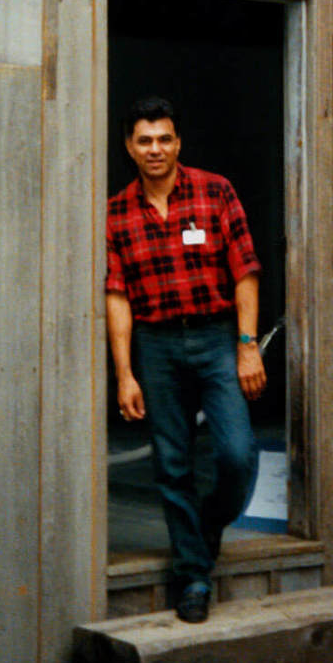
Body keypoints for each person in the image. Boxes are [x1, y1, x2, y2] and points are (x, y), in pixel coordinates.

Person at [105, 95, 266, 623]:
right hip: (157, 345)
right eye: (145, 140)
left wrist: (246, 347)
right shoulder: (115, 213)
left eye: (165, 138)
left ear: (179, 142)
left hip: (217, 338)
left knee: (237, 454)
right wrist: (125, 372)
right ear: (130, 147)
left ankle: (204, 526)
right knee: (171, 465)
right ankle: (194, 576)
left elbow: (245, 272)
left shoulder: (215, 191)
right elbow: (117, 297)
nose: (156, 149)